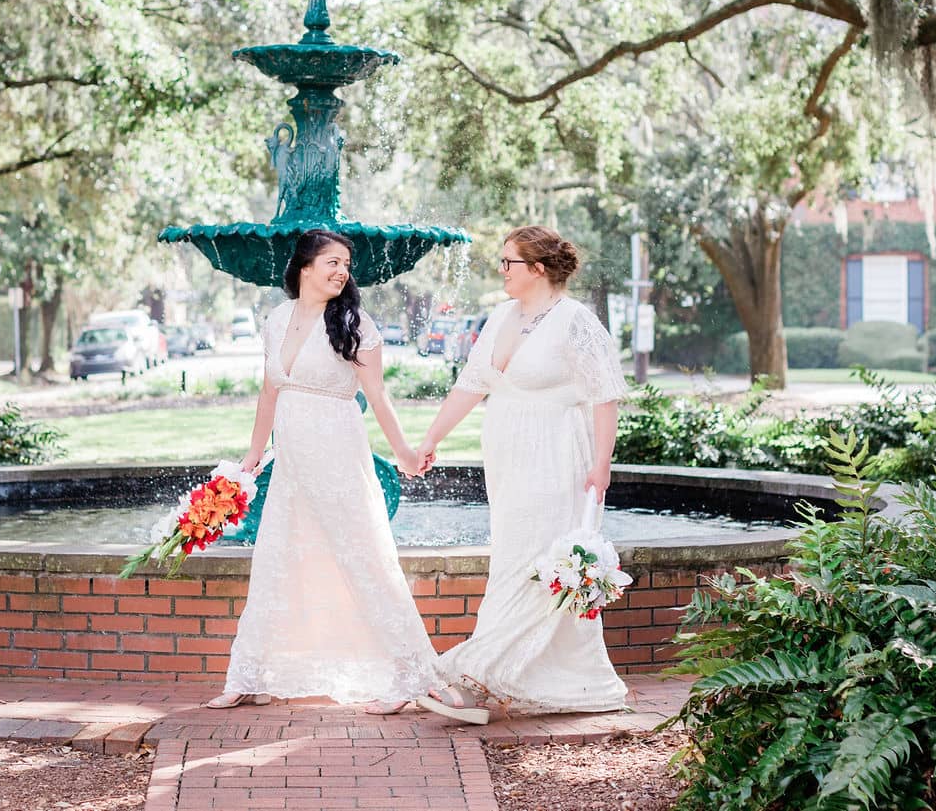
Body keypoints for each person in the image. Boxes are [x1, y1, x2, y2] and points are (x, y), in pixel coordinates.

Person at [208, 229, 440, 715]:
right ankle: (250, 675)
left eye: (346, 263)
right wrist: (253, 454)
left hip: (337, 452)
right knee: (275, 560)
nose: (342, 271)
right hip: (291, 461)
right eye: (332, 261)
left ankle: (411, 674)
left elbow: (378, 397)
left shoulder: (355, 323)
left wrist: (404, 452)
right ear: (305, 267)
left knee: (364, 556)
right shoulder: (277, 319)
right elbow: (269, 391)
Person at [414, 225, 630, 723]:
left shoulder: (577, 322)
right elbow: (471, 385)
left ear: (536, 268)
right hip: (508, 459)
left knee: (536, 563)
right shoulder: (501, 317)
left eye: (508, 262)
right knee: (511, 560)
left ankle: (476, 677)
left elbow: (604, 396)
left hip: (556, 454)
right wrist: (432, 438)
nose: (501, 270)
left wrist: (602, 464)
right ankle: (505, 677)